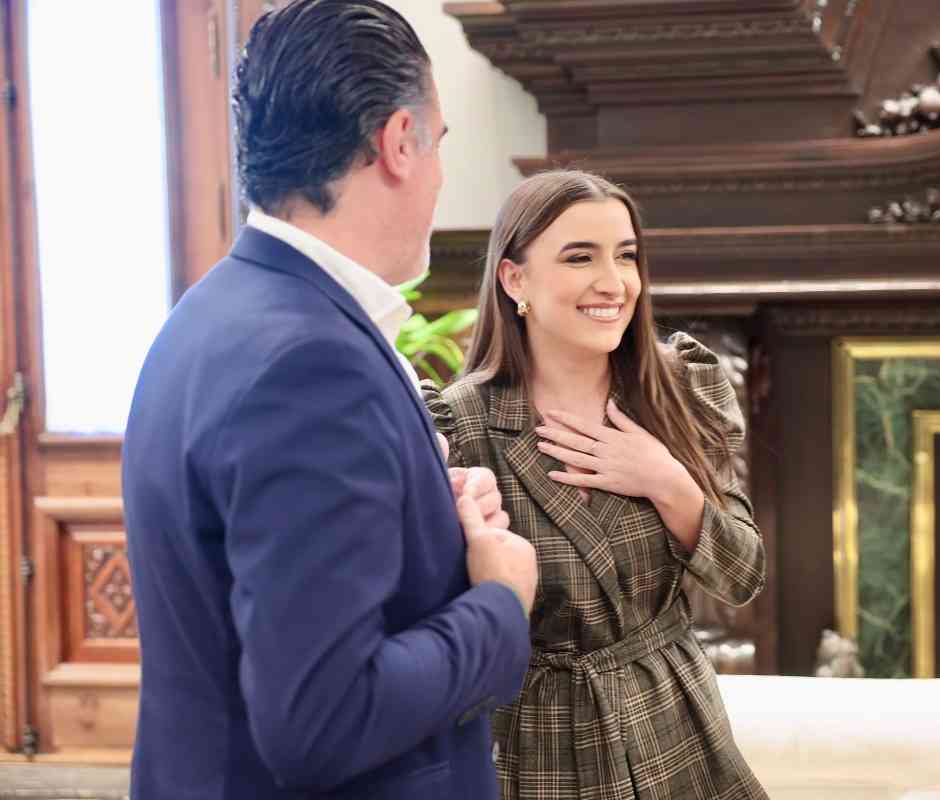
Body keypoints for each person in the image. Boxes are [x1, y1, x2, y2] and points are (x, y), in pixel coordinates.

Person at [121, 2, 536, 798]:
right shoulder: (311, 363)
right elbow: (324, 719)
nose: (440, 175)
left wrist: (422, 518)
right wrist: (499, 601)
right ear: (400, 141)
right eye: (441, 142)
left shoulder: (210, 314)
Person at [422, 170, 769, 799]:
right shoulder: (458, 425)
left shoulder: (681, 390)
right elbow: (448, 629)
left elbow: (741, 575)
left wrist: (667, 481)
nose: (614, 282)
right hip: (537, 750)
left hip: (676, 735)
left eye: (626, 256)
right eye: (580, 257)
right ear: (515, 280)